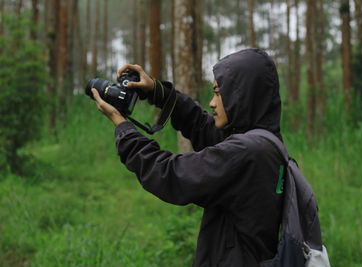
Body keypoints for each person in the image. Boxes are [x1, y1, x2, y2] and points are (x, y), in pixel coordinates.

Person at [92, 48, 285, 266]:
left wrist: (122, 127)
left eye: (218, 93)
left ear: (242, 95)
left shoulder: (248, 152)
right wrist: (157, 91)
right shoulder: (265, 141)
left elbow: (170, 174)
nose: (212, 103)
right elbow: (203, 127)